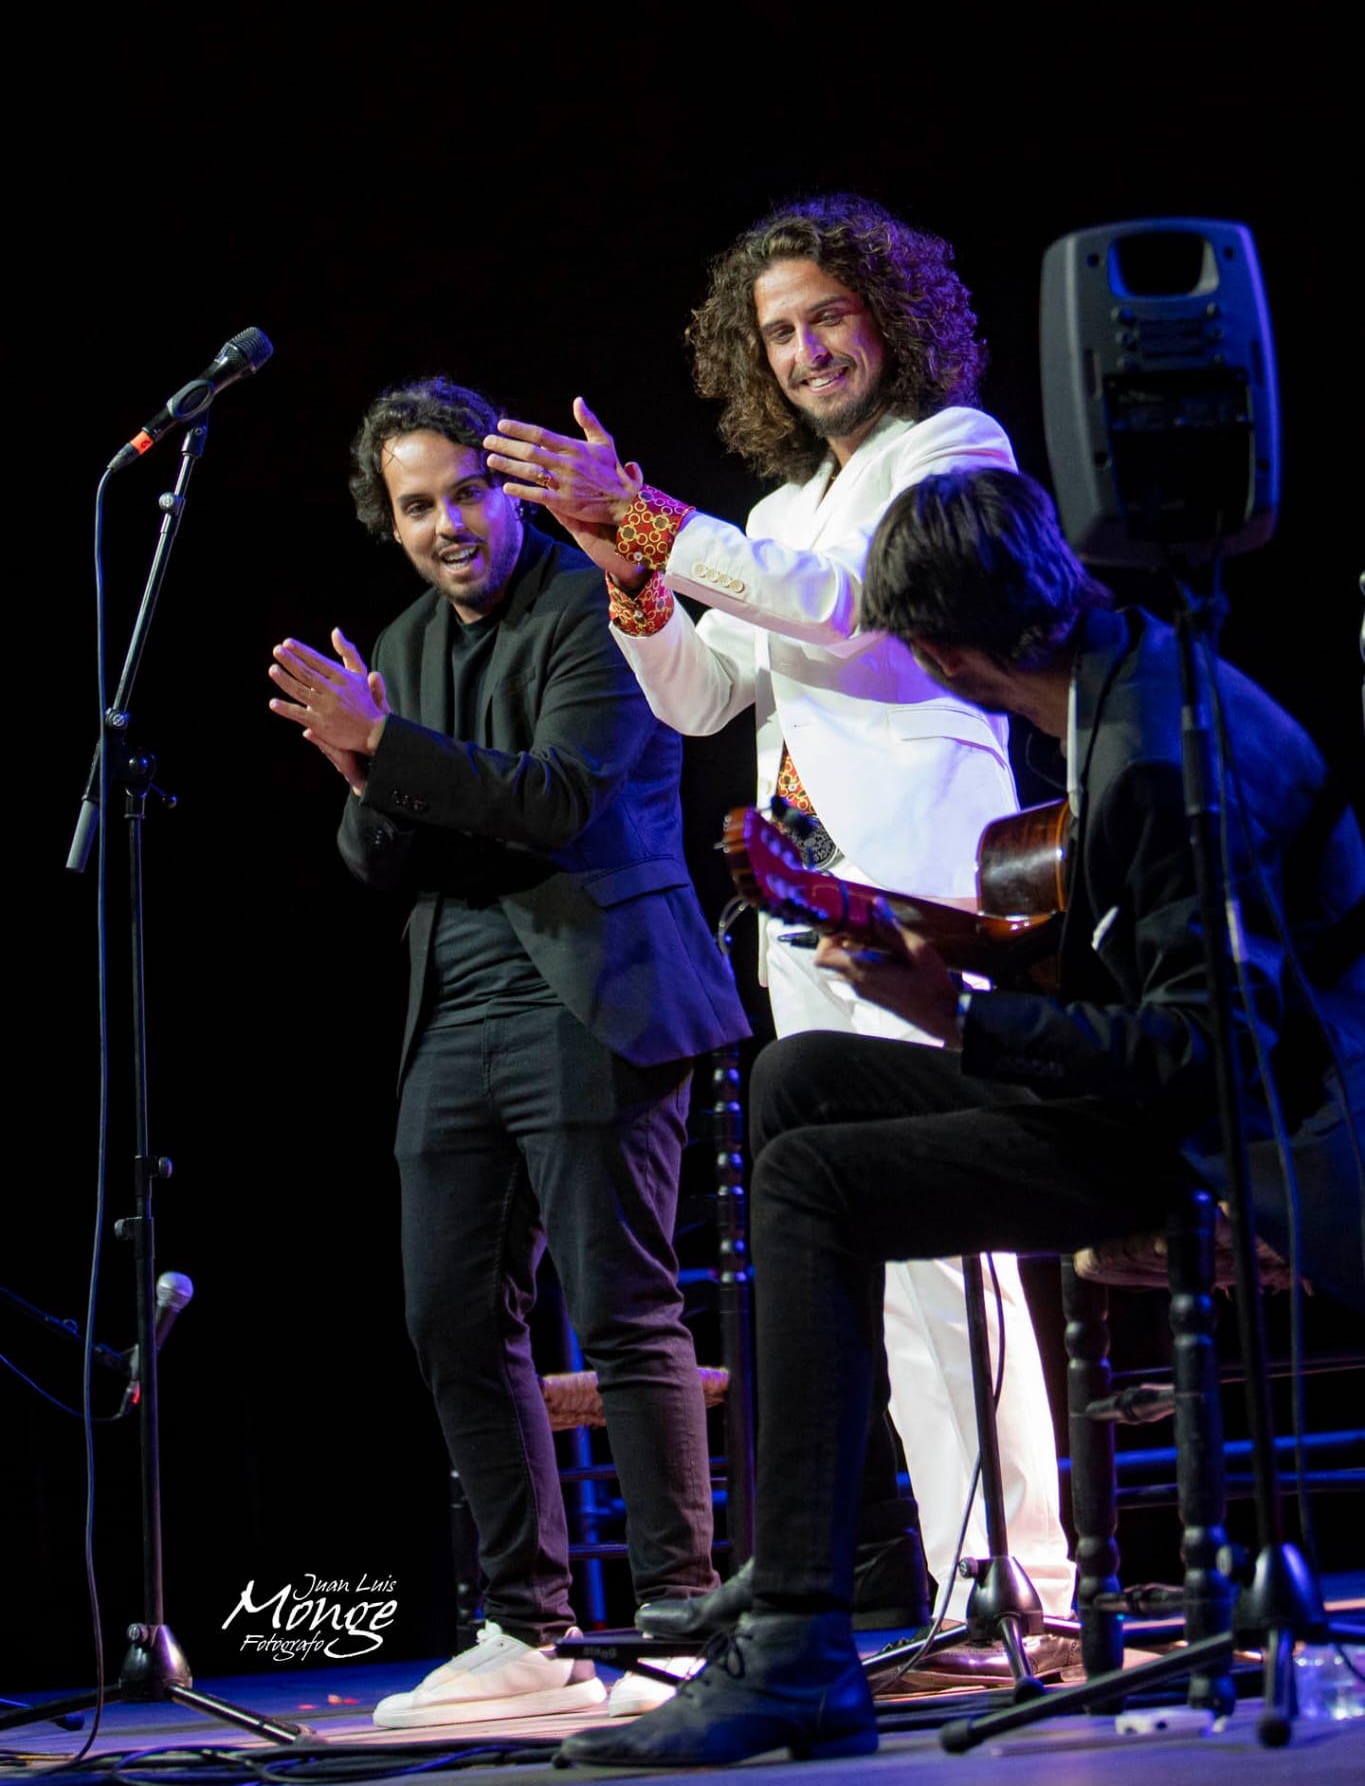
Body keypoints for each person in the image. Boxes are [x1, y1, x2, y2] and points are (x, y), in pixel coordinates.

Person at [555, 465, 1365, 1766]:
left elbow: (1204, 1051)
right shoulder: (1117, 680)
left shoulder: (1152, 751)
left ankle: (799, 1640)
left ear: (943, 649)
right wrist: (931, 946)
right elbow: (1128, 959)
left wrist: (960, 1016)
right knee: (799, 1079)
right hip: (1173, 1098)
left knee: (815, 1181)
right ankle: (794, 1572)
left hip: (1245, 1140)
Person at [482, 195, 1075, 1655]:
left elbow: (851, 609)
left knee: (957, 1246)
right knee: (881, 1266)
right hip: (805, 902)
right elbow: (704, 700)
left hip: (929, 885)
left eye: (827, 318)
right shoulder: (771, 514)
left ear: (889, 317)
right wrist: (632, 576)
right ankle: (960, 1587)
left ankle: (1030, 1584)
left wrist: (645, 517)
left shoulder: (952, 449)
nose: (806, 351)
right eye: (779, 334)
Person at [267, 376, 749, 1728]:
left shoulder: (589, 606)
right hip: (456, 1008)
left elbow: (562, 801)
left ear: (506, 491)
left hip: (598, 992)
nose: (450, 525)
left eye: (469, 492)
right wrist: (365, 771)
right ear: (393, 523)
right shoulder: (403, 643)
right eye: (418, 507)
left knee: (625, 1308)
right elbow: (376, 859)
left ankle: (677, 1618)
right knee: (448, 1315)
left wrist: (389, 748)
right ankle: (530, 1628)